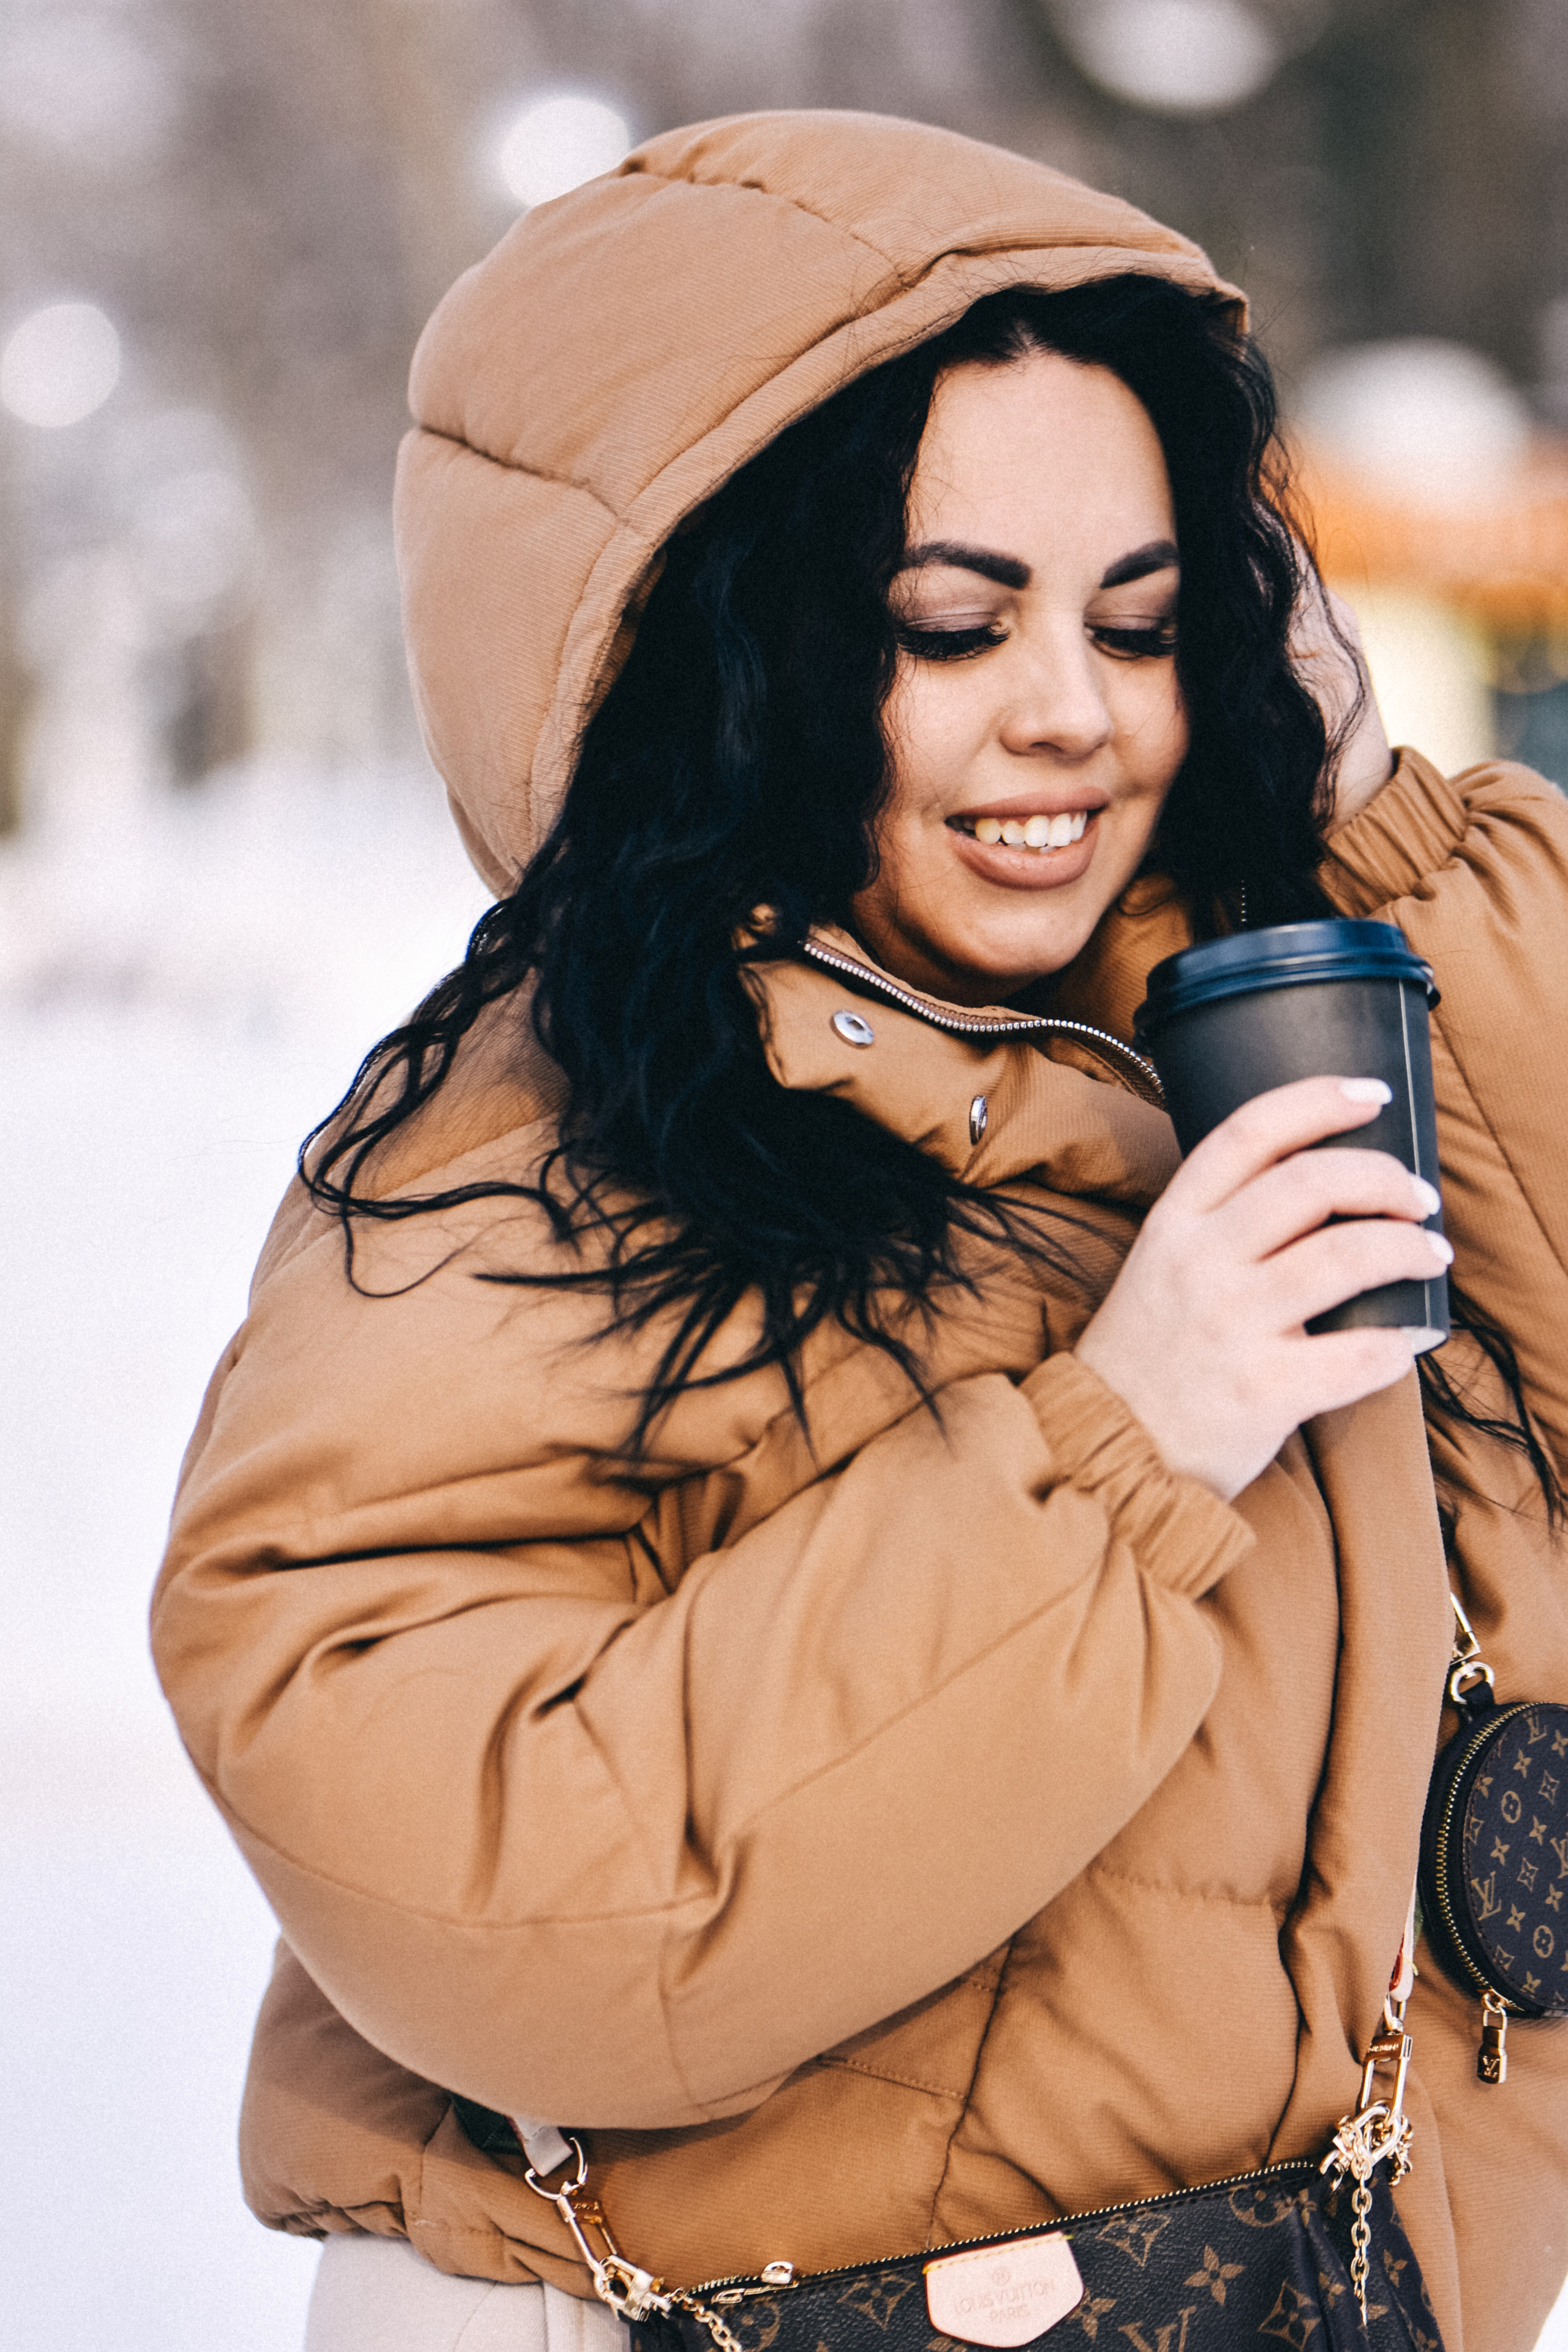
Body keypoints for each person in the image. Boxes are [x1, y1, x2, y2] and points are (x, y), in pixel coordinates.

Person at [152, 111, 1568, 2352]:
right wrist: (1121, 1448)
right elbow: (486, 1874)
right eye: (948, 623)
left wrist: (1366, 833)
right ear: (730, 652)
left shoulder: (1232, 1026)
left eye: (1146, 616)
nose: (1072, 713)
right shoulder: (527, 1159)